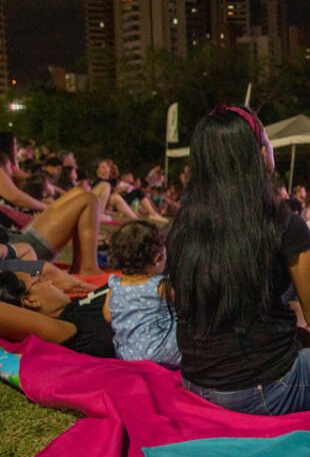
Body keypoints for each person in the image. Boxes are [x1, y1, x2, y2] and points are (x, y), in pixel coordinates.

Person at [167, 104, 310, 415]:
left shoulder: (184, 225)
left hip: (195, 384)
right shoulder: (283, 224)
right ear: (259, 153)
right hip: (263, 391)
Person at [0, 134, 106, 275]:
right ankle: (88, 268)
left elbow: (24, 181)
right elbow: (15, 197)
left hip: (14, 239)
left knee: (78, 192)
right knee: (88, 200)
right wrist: (47, 208)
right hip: (20, 248)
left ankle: (79, 265)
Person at [102, 220, 180, 368]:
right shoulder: (161, 286)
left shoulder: (115, 285)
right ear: (157, 258)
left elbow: (108, 315)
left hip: (128, 355)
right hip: (161, 353)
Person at [0, 269, 114, 357]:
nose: (49, 280)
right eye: (36, 278)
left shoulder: (77, 304)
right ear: (31, 301)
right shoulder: (69, 328)